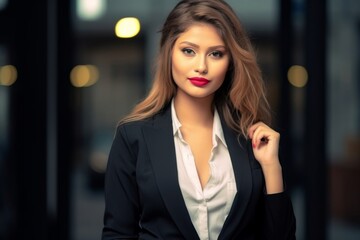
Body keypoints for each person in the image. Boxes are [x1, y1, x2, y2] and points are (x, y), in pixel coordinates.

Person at [102, 0, 296, 239]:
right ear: (169, 53)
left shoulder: (251, 138)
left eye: (216, 54)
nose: (201, 67)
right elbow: (117, 234)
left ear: (231, 62)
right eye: (189, 51)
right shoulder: (133, 137)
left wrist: (271, 167)